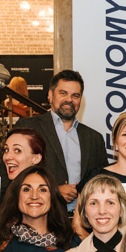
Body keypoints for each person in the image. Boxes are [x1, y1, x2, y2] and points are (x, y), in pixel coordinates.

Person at [16, 70, 109, 210]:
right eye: (63, 93)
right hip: (41, 216)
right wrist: (53, 191)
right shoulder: (27, 128)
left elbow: (103, 184)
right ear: (50, 95)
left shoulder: (94, 138)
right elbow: (12, 180)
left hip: (82, 218)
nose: (69, 100)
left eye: (75, 95)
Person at [64, 173, 126, 252]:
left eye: (110, 203)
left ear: (122, 209)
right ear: (85, 211)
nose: (102, 211)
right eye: (94, 203)